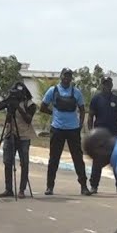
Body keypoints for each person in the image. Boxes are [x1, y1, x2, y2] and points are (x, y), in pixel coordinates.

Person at [40, 68, 89, 196]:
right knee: (54, 159)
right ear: (61, 76)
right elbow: (42, 107)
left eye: (69, 76)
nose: (67, 78)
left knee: (78, 158)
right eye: (65, 76)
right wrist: (54, 114)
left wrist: (80, 124)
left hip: (73, 130)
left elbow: (82, 109)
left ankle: (84, 186)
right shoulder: (53, 90)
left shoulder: (76, 92)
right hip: (57, 129)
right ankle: (49, 186)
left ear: (71, 78)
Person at [0, 82, 37, 198]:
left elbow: (28, 119)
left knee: (24, 163)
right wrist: (7, 100)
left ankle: (22, 189)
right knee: (7, 162)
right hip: (10, 134)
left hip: (24, 136)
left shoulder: (30, 104)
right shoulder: (10, 102)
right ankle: (8, 189)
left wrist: (17, 106)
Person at [87, 77, 117, 195]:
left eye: (109, 84)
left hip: (114, 135)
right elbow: (90, 117)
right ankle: (94, 186)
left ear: (112, 85)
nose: (107, 86)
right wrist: (91, 133)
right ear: (101, 85)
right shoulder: (96, 99)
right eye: (104, 84)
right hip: (100, 136)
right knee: (97, 161)